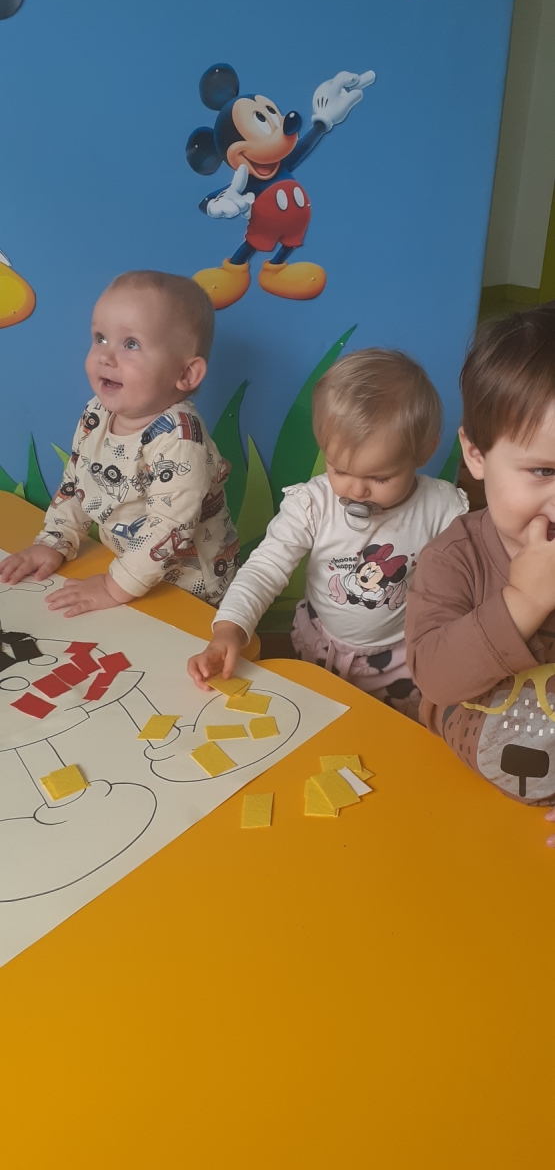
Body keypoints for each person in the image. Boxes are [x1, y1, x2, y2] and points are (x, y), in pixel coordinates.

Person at [188, 348, 468, 719]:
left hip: (402, 659)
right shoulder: (313, 503)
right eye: (340, 470)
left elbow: (468, 579)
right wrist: (229, 628)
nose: (357, 490)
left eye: (379, 477)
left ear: (424, 452)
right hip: (320, 647)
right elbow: (266, 567)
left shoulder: (443, 508)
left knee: (391, 731)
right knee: (317, 720)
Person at [0, 270, 238, 615]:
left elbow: (169, 527)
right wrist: (55, 541)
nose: (106, 356)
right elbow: (78, 479)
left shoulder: (181, 440)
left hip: (190, 588)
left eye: (131, 344)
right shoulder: (98, 412)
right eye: (100, 338)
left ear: (185, 374)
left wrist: (113, 587)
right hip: (128, 570)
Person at [405, 302, 555, 839]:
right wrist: (523, 604)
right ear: (476, 455)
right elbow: (434, 677)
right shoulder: (455, 557)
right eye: (544, 470)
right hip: (454, 795)